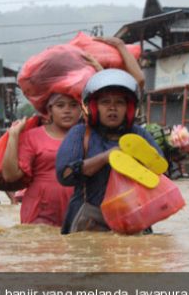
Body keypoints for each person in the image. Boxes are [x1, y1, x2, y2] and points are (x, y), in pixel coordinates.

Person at [55, 38, 163, 234]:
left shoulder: (139, 134)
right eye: (105, 102)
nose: (112, 107)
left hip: (134, 218)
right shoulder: (80, 133)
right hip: (88, 221)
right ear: (94, 108)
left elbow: (163, 174)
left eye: (120, 103)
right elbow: (64, 175)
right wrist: (107, 157)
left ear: (129, 109)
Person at [1, 93, 82, 226]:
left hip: (76, 206)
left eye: (73, 105)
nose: (67, 110)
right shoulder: (33, 137)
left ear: (81, 109)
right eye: (60, 105)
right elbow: (10, 176)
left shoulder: (87, 136)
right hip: (39, 208)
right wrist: (13, 136)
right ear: (50, 110)